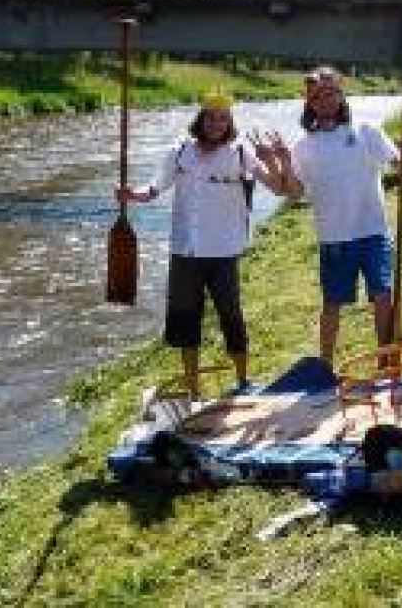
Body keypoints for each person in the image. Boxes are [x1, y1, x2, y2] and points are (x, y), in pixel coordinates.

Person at [118, 88, 289, 395]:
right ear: (202, 118)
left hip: (224, 252)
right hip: (185, 251)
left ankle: (242, 381)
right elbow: (155, 188)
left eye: (223, 119)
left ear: (229, 122)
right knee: (185, 322)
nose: (216, 124)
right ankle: (193, 387)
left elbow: (277, 188)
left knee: (231, 316)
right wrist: (133, 195)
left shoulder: (241, 152)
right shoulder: (180, 150)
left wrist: (273, 159)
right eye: (211, 118)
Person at [254, 67, 402, 367]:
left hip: (373, 231)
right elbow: (293, 192)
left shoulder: (366, 130)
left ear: (341, 94)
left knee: (382, 295)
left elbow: (401, 166)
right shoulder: (304, 147)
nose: (325, 100)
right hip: (334, 239)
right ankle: (325, 368)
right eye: (317, 96)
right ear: (310, 104)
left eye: (331, 92)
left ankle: (385, 362)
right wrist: (282, 161)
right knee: (332, 305)